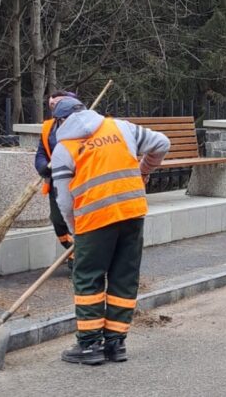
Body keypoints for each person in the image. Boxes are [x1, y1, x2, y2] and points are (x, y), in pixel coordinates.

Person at [50, 97, 170, 365]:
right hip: (131, 213)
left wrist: (74, 230)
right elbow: (162, 143)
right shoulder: (120, 127)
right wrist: (144, 170)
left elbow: (64, 201)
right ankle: (116, 345)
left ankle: (90, 346)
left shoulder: (64, 149)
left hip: (95, 220)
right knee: (123, 276)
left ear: (60, 121)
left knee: (88, 278)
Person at [35, 90, 78, 270]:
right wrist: (44, 167)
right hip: (57, 183)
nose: (55, 108)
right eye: (52, 105)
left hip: (79, 181)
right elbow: (41, 153)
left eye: (58, 104)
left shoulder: (82, 127)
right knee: (58, 220)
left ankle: (77, 260)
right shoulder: (48, 128)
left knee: (78, 222)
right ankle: (75, 250)